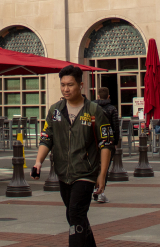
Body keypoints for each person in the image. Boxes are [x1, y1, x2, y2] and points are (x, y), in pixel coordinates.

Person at [32, 65, 113, 247]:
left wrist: (102, 174)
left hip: (86, 172)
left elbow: (106, 143)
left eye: (70, 85)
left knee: (75, 213)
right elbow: (47, 139)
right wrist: (38, 162)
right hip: (63, 173)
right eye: (62, 85)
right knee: (75, 215)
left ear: (81, 85)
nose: (65, 89)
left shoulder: (94, 111)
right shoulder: (55, 110)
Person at [93, 86, 120, 204]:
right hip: (108, 141)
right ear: (108, 96)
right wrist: (116, 142)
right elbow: (115, 127)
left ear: (98, 96)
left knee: (95, 166)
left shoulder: (92, 107)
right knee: (104, 168)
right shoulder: (112, 109)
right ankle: (101, 192)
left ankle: (94, 189)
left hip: (94, 141)